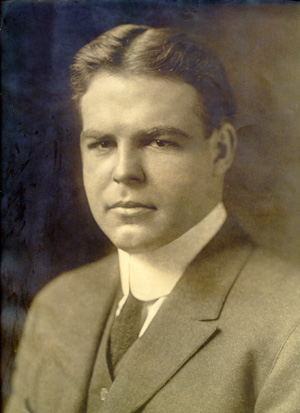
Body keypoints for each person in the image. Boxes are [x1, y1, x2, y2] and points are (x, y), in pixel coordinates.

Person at [6, 24, 300, 413]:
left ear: (221, 150)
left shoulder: (289, 322)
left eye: (160, 141)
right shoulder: (58, 305)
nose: (125, 171)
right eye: (102, 144)